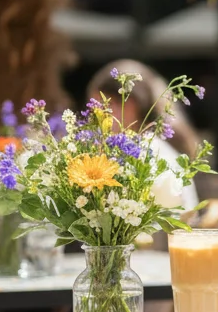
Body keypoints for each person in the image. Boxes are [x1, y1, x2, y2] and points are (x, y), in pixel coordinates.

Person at [85, 60, 199, 211]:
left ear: (130, 105)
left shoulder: (152, 151)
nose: (95, 118)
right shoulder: (134, 148)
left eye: (102, 108)